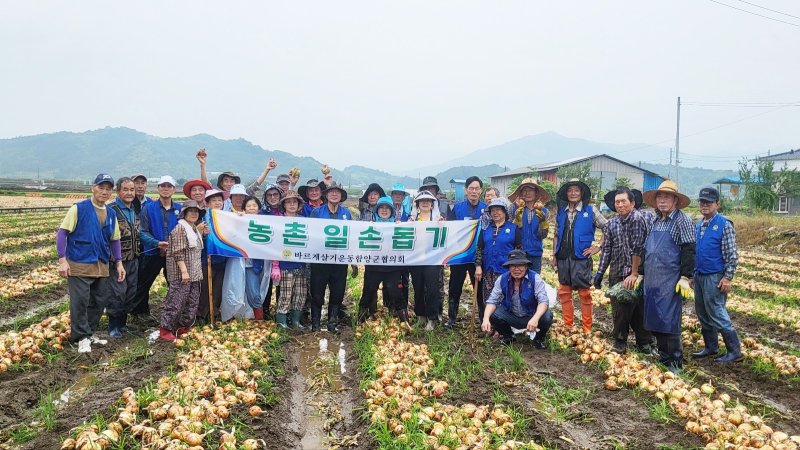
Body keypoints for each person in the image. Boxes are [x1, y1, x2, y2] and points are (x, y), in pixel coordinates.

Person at [56, 174, 124, 353]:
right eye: (101, 187)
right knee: (80, 302)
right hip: (79, 262)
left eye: (108, 189)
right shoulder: (79, 208)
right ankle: (80, 337)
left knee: (99, 301)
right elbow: (62, 233)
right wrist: (62, 260)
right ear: (93, 188)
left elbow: (115, 240)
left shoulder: (111, 213)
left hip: (101, 264)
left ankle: (90, 332)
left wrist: (119, 262)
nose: (104, 192)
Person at [641, 180, 696, 374]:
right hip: (652, 278)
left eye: (667, 197)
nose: (662, 201)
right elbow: (646, 249)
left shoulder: (682, 220)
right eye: (659, 197)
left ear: (675, 200)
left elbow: (689, 248)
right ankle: (664, 357)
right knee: (655, 319)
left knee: (669, 320)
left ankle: (675, 361)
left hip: (671, 279)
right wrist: (640, 273)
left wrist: (685, 276)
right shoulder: (655, 220)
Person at [594, 187, 653, 354]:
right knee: (619, 308)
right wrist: (600, 272)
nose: (620, 205)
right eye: (617, 202)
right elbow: (607, 249)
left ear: (632, 203)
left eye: (623, 201)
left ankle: (643, 341)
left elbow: (638, 248)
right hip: (617, 270)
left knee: (639, 308)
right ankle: (621, 339)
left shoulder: (637, 219)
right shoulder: (611, 223)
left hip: (636, 271)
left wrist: (634, 273)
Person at [691, 187, 742, 363]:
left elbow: (731, 254)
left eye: (709, 202)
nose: (704, 205)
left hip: (715, 275)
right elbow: (696, 252)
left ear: (717, 204)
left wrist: (727, 277)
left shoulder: (724, 224)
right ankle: (711, 347)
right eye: (702, 202)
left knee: (716, 311)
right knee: (702, 312)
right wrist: (692, 274)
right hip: (700, 274)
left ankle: (734, 351)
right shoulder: (699, 225)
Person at [551, 179, 607, 333]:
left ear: (581, 193)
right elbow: (556, 234)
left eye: (576, 190)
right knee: (564, 291)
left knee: (584, 292)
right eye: (570, 191)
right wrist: (554, 255)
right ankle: (568, 325)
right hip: (563, 257)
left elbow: (607, 227)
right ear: (566, 194)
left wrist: (598, 246)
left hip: (581, 258)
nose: (573, 193)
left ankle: (587, 328)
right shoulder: (561, 212)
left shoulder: (591, 210)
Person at [133, 175, 181, 325]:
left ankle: (175, 312)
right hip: (152, 252)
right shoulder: (148, 208)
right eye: (163, 186)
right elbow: (142, 232)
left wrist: (173, 246)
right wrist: (156, 243)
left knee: (175, 284)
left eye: (169, 186)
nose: (166, 189)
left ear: (174, 189)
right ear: (158, 188)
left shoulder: (180, 209)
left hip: (173, 254)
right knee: (143, 284)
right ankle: (140, 313)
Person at [481, 249, 553, 348]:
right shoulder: (502, 279)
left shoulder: (535, 278)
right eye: (513, 266)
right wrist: (485, 319)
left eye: (520, 265)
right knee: (492, 314)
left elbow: (543, 301)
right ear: (509, 267)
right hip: (512, 315)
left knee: (547, 315)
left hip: (531, 315)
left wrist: (535, 318)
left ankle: (538, 339)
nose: (516, 269)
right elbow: (492, 300)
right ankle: (508, 336)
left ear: (526, 266)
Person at [357, 197, 409, 324]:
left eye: (387, 208)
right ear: (377, 210)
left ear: (392, 211)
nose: (384, 210)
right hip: (373, 266)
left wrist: (401, 228)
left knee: (396, 293)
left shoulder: (398, 226)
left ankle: (405, 322)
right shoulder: (370, 226)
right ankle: (360, 321)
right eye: (381, 208)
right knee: (368, 292)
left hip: (392, 266)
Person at [309, 181, 352, 332]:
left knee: (337, 292)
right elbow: (311, 234)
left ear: (341, 196)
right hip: (320, 261)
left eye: (337, 192)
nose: (334, 194)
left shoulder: (346, 214)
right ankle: (315, 324)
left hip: (339, 261)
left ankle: (332, 323)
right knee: (317, 293)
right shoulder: (316, 212)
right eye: (331, 192)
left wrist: (352, 260)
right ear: (326, 195)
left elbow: (350, 236)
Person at [159, 200, 205, 341]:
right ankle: (166, 329)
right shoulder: (180, 229)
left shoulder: (194, 229)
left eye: (196, 211)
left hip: (195, 273)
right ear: (184, 213)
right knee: (176, 301)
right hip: (182, 273)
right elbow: (178, 252)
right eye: (190, 211)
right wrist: (184, 271)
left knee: (192, 301)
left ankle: (182, 327)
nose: (193, 214)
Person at [445, 176, 487, 328]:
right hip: (460, 255)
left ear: (481, 190)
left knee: (480, 288)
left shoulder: (487, 209)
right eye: (471, 188)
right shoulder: (456, 208)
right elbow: (449, 231)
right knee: (455, 287)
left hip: (478, 256)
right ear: (465, 190)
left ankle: (483, 319)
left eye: (477, 188)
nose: (474, 191)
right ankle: (451, 318)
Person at [475, 197, 521, 322]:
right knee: (488, 298)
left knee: (505, 297)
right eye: (493, 210)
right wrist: (478, 266)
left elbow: (519, 251)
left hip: (506, 271)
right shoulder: (486, 229)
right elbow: (479, 248)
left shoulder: (513, 228)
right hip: (488, 270)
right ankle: (489, 323)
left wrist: (516, 269)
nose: (495, 213)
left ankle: (502, 325)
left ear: (505, 212)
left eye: (498, 210)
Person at [107, 177, 140, 338]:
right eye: (125, 189)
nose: (129, 193)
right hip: (117, 260)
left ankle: (123, 324)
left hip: (133, 257)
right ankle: (113, 326)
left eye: (132, 190)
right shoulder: (111, 209)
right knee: (117, 293)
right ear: (118, 191)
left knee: (130, 292)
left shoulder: (134, 209)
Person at [409, 190, 445, 331]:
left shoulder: (438, 220)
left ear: (432, 204)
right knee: (417, 287)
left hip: (432, 260)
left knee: (432, 289)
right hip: (416, 259)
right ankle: (420, 316)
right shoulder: (412, 220)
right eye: (422, 201)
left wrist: (442, 225)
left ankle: (432, 318)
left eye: (428, 201)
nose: (425, 203)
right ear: (417, 204)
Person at [276, 190, 310, 329]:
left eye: (294, 202)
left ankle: (296, 321)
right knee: (285, 294)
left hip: (301, 264)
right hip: (285, 264)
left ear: (298, 204)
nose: (291, 204)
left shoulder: (304, 220)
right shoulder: (278, 221)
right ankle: (281, 321)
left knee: (300, 294)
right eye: (288, 202)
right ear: (283, 205)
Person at [508, 178, 551, 274]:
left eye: (530, 190)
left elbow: (543, 236)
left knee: (533, 280)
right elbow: (509, 231)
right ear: (520, 193)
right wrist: (516, 222)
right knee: (517, 279)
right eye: (524, 190)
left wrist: (543, 225)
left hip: (535, 253)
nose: (527, 193)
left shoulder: (544, 212)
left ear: (536, 193)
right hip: (518, 252)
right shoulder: (513, 209)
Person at [196, 189, 226, 323]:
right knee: (205, 288)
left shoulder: (227, 218)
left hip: (222, 259)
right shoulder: (202, 218)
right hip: (206, 258)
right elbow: (194, 239)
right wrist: (202, 233)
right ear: (207, 203)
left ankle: (214, 314)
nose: (217, 203)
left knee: (218, 288)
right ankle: (201, 315)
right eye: (214, 201)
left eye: (219, 200)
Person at [242, 196, 273, 320]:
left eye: (254, 205)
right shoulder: (240, 221)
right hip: (248, 264)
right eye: (248, 206)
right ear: (244, 208)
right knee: (254, 293)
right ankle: (259, 320)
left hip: (263, 263)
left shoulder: (265, 221)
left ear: (259, 208)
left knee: (262, 290)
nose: (251, 208)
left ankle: (257, 318)